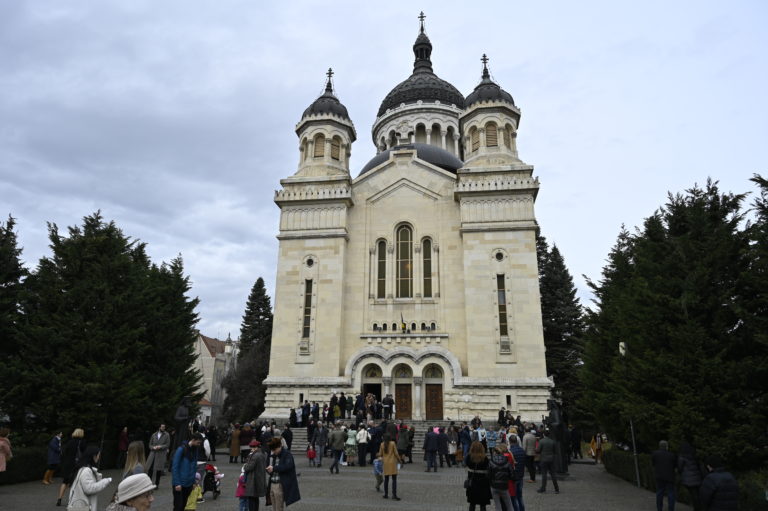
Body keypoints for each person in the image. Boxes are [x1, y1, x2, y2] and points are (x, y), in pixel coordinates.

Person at [67, 445, 112, 511]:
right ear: (94, 456)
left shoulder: (83, 467)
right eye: (98, 455)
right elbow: (89, 489)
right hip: (84, 507)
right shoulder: (86, 470)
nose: (99, 457)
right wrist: (105, 481)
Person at [266, 436, 301, 510]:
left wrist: (274, 468)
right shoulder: (274, 455)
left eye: (274, 449)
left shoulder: (287, 454)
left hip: (279, 484)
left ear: (279, 446)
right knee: (274, 507)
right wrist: (268, 469)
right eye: (272, 449)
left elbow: (287, 466)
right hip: (272, 482)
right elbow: (269, 465)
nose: (273, 451)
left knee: (279, 507)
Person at [171, 432, 203, 511]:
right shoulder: (181, 449)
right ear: (193, 440)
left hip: (189, 484)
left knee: (183, 506)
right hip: (180, 484)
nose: (199, 445)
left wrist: (194, 482)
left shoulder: (195, 450)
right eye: (198, 442)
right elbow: (175, 467)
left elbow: (194, 467)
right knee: (178, 506)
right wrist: (177, 483)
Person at [57, 428, 86, 507]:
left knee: (65, 482)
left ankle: (59, 499)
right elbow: (84, 454)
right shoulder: (82, 442)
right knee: (74, 483)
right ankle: (71, 501)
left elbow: (64, 453)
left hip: (67, 465)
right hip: (76, 465)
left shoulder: (69, 442)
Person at [466, 441, 492, 511]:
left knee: (472, 504)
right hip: (483, 484)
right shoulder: (485, 458)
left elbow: (467, 465)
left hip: (472, 483)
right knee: (482, 505)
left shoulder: (469, 457)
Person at [652, 440, 677, 511]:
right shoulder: (672, 455)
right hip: (670, 477)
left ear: (659, 446)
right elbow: (675, 465)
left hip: (659, 476)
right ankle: (671, 509)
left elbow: (653, 464)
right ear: (667, 446)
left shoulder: (655, 454)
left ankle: (659, 509)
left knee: (659, 493)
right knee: (671, 493)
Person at [678, 441, 703, 511]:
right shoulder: (694, 454)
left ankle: (697, 508)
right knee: (697, 494)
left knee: (694, 495)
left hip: (689, 478)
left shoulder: (682, 457)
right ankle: (700, 507)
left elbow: (680, 468)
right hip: (697, 477)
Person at [488, 445, 514, 511]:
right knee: (509, 504)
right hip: (504, 486)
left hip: (494, 486)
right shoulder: (507, 461)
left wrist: (491, 482)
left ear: (494, 453)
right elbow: (512, 475)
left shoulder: (491, 462)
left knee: (497, 505)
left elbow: (488, 475)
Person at [243, 439, 267, 511]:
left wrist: (245, 465)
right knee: (256, 499)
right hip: (259, 479)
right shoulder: (262, 454)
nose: (251, 449)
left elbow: (248, 467)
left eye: (252, 447)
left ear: (256, 447)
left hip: (253, 481)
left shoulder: (255, 456)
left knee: (251, 500)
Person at [378, 433, 403, 500]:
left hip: (386, 463)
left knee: (386, 479)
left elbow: (380, 454)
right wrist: (400, 460)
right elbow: (396, 453)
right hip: (392, 463)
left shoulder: (382, 444)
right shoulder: (392, 443)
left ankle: (386, 494)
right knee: (394, 479)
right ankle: (394, 495)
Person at [536, 430, 560, 494]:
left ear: (544, 434)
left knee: (544, 474)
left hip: (544, 459)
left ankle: (543, 488)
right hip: (551, 460)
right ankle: (556, 489)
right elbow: (555, 451)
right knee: (553, 474)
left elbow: (538, 450)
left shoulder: (541, 441)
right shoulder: (553, 442)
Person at [508, 436, 527, 511]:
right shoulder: (522, 450)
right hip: (520, 475)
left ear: (509, 442)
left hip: (514, 477)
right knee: (520, 496)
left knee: (514, 497)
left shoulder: (510, 452)